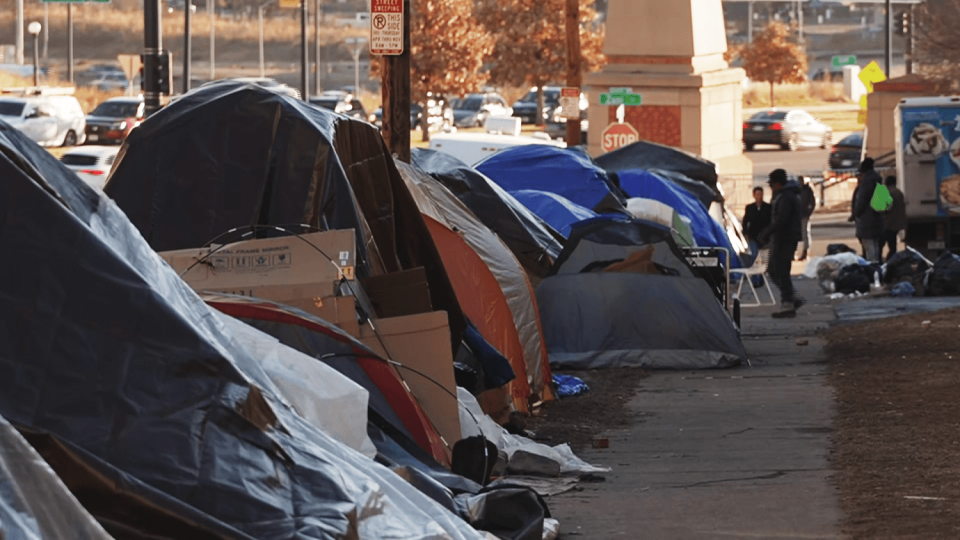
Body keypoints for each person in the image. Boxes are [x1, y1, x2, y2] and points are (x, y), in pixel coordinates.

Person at [759, 169, 804, 318]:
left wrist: (766, 233)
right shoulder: (786, 196)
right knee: (775, 269)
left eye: (772, 185)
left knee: (780, 270)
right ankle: (790, 297)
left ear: (777, 184)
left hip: (784, 239)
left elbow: (781, 220)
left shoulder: (786, 197)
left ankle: (788, 302)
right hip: (783, 238)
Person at [854, 158, 885, 262]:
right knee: (875, 246)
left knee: (869, 247)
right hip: (878, 219)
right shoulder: (878, 179)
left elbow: (862, 200)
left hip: (867, 220)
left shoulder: (867, 181)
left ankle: (873, 269)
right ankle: (877, 268)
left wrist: (856, 213)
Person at [742, 186, 772, 265]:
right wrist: (745, 233)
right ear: (754, 195)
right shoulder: (750, 208)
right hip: (753, 236)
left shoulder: (768, 208)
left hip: (765, 237)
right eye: (757, 194)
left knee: (765, 258)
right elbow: (745, 221)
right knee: (754, 256)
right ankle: (754, 275)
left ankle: (763, 275)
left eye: (761, 194)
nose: (759, 196)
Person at [883, 175, 906, 261]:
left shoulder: (889, 193)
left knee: (890, 245)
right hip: (898, 222)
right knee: (893, 244)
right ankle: (893, 258)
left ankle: (891, 260)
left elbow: (888, 208)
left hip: (890, 223)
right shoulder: (899, 192)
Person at [797, 176, 816, 261]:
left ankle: (805, 251)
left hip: (804, 214)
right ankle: (794, 252)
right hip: (797, 215)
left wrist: (808, 212)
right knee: (795, 234)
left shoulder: (808, 189)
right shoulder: (796, 190)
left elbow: (812, 202)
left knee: (805, 234)